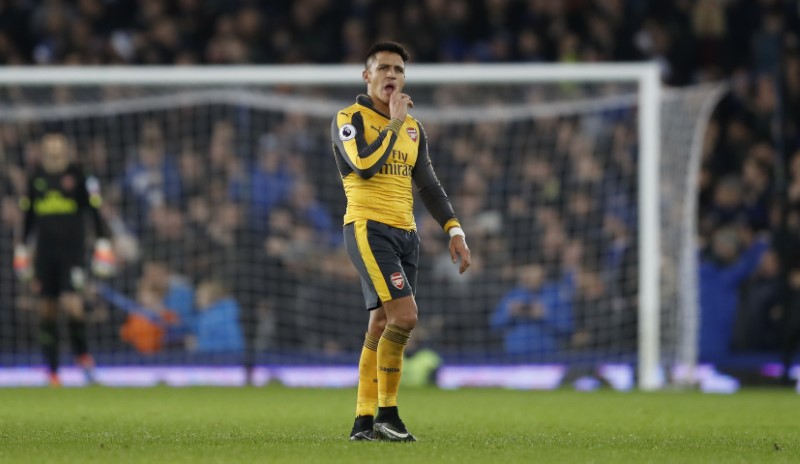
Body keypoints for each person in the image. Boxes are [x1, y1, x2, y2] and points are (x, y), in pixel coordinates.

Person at [331, 41, 471, 442]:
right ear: (367, 76)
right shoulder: (348, 118)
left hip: (406, 233)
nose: (392, 75)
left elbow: (428, 184)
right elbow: (365, 166)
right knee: (406, 318)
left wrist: (454, 230)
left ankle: (362, 421)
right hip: (368, 227)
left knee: (380, 322)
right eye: (384, 68)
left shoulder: (415, 128)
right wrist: (392, 122)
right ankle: (388, 415)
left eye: (399, 70)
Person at [13, 133, 115, 386]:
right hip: (45, 255)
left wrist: (103, 240)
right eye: (49, 146)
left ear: (67, 149)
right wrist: (22, 248)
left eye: (59, 146)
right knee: (47, 309)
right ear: (43, 149)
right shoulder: (36, 179)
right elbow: (28, 217)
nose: (54, 151)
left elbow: (94, 210)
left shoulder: (80, 175)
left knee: (73, 305)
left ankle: (82, 356)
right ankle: (53, 371)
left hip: (73, 253)